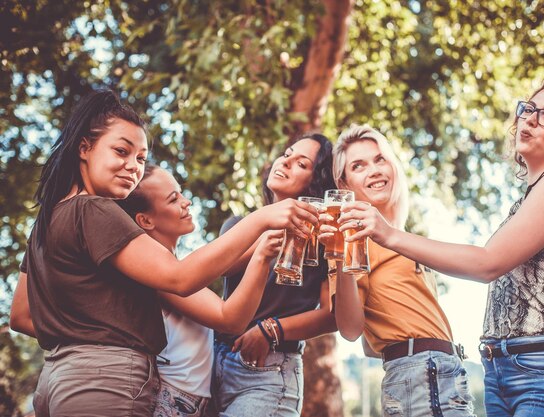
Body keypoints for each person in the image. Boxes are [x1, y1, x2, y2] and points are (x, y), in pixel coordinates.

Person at [8, 89, 318, 417]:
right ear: (84, 147)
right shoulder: (94, 209)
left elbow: (22, 315)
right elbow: (178, 277)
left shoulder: (47, 219)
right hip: (104, 379)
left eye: (140, 159)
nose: (132, 167)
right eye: (121, 151)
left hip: (58, 376)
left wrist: (79, 335)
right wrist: (261, 219)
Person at [335, 74, 544, 416]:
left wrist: (390, 235)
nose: (530, 119)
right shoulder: (533, 197)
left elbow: (487, 263)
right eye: (528, 109)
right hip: (504, 368)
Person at [319, 124, 475, 417]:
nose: (374, 170)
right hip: (421, 372)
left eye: (380, 159)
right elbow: (351, 329)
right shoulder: (355, 239)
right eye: (359, 165)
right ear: (344, 185)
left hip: (440, 372)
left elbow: (369, 344)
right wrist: (340, 256)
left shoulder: (401, 238)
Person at [117, 164, 284, 417]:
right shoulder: (160, 276)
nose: (186, 202)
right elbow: (231, 318)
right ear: (145, 220)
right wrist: (262, 255)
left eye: (181, 193)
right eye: (173, 199)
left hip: (193, 400)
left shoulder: (176, 267)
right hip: (172, 401)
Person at [212, 133, 337, 417]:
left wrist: (273, 330)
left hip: (270, 370)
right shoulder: (237, 225)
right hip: (212, 362)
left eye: (301, 163)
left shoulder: (324, 241)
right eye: (287, 153)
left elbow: (333, 314)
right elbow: (221, 266)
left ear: (315, 181)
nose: (286, 161)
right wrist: (272, 223)